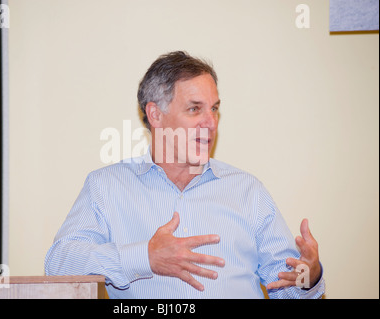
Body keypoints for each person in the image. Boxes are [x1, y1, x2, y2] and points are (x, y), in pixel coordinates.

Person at [44, 51, 325, 298]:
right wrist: (144, 257)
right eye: (195, 109)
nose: (211, 122)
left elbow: (289, 290)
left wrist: (308, 278)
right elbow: (59, 265)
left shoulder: (247, 190)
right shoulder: (105, 187)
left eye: (214, 109)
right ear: (155, 114)